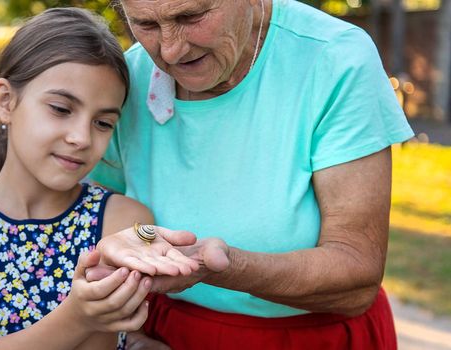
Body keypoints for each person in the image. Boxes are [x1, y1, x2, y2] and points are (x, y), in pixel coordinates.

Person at [88, 0, 415, 348]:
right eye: (147, 25)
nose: (169, 50)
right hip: (167, 337)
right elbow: (94, 223)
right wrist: (133, 335)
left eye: (190, 16)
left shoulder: (333, 58)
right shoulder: (128, 76)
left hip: (312, 339)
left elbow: (356, 280)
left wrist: (224, 266)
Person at [0, 8, 199, 350]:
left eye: (103, 123)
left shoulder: (123, 221)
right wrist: (79, 317)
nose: (81, 137)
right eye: (61, 109)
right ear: (6, 100)